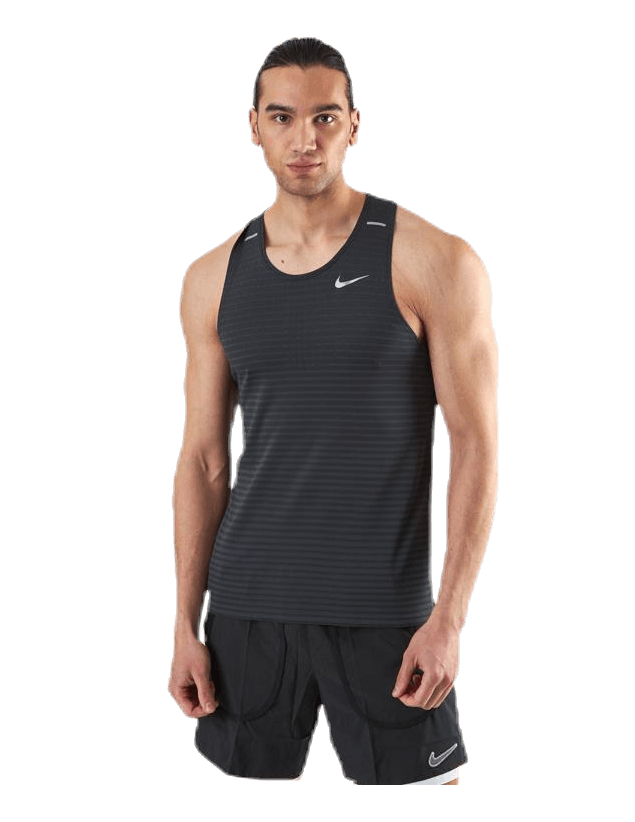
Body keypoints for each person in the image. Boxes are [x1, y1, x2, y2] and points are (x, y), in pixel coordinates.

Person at [168, 37, 498, 785]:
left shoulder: (434, 260)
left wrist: (450, 619)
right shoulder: (211, 277)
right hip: (246, 612)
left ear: (353, 124)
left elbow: (477, 444)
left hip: (388, 614)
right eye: (282, 117)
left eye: (324, 117)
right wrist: (184, 624)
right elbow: (204, 460)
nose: (304, 139)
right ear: (254, 126)